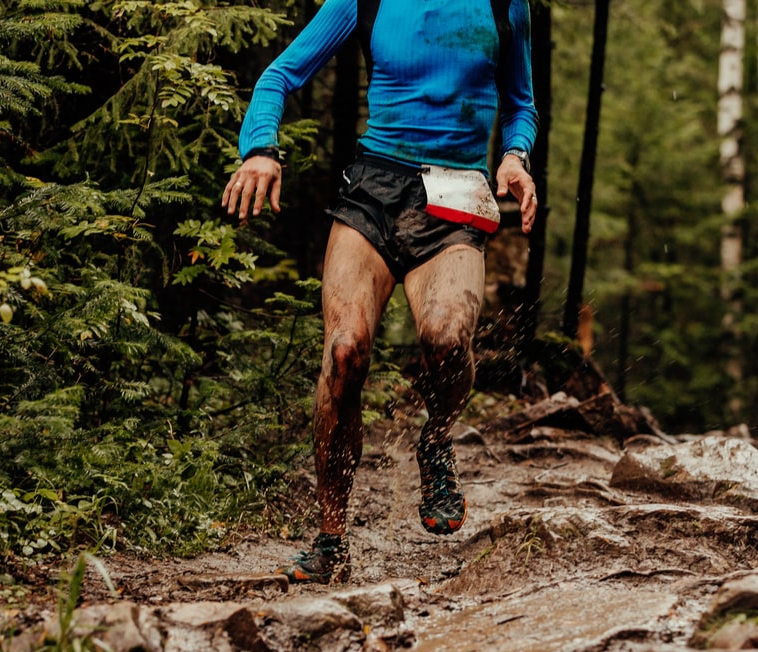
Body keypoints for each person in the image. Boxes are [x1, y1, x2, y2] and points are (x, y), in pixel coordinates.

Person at [222, 0, 539, 584]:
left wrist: (515, 156)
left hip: (455, 199)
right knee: (345, 351)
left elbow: (521, 102)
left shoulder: (504, 4)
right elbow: (280, 74)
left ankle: (437, 441)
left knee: (446, 339)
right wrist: (261, 148)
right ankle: (330, 539)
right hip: (374, 189)